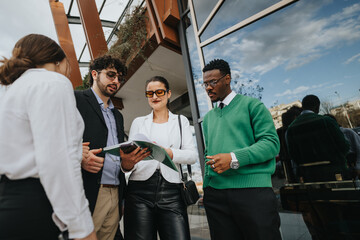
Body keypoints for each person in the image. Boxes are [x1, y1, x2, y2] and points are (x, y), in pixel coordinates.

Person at [0, 34, 96, 240]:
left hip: (10, 200)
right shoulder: (53, 82)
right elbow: (58, 162)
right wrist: (83, 229)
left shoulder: (13, 90)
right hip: (36, 206)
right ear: (58, 62)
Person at [201, 59, 281, 240]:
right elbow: (209, 153)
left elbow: (271, 144)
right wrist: (207, 188)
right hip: (216, 196)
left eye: (213, 82)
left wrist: (234, 158)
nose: (208, 88)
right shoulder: (208, 119)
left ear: (227, 79)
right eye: (205, 83)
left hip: (253, 193)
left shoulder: (253, 106)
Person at [75, 55, 149, 240]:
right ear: (94, 74)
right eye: (110, 75)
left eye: (119, 78)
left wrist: (127, 163)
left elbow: (118, 156)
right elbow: (56, 138)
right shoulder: (76, 100)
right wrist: (77, 155)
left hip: (116, 192)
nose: (116, 81)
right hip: (89, 190)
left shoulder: (118, 116)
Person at [121, 76, 198, 240]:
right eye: (150, 93)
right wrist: (127, 164)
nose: (155, 96)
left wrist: (169, 153)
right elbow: (130, 159)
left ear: (169, 93)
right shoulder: (138, 122)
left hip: (172, 192)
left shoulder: (180, 121)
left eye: (159, 92)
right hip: (139, 191)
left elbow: (192, 156)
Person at [286, 95, 350, 182]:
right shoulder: (326, 121)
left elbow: (293, 154)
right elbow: (344, 146)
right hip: (335, 173)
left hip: (308, 176)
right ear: (317, 106)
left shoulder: (290, 128)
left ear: (303, 106)